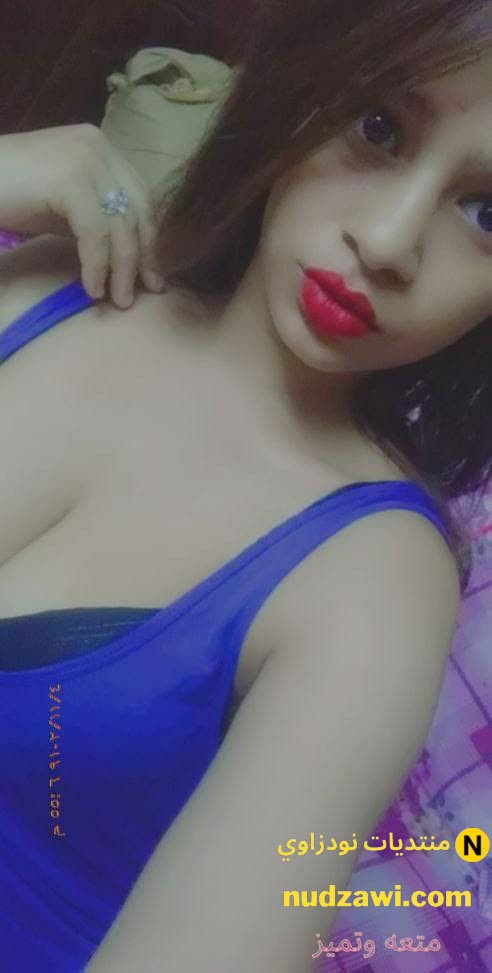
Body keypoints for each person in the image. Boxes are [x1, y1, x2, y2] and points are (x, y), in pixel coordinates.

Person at [0, 1, 490, 971]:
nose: (387, 240)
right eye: (379, 127)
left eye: (490, 215)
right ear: (304, 91)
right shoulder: (49, 282)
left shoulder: (376, 576)